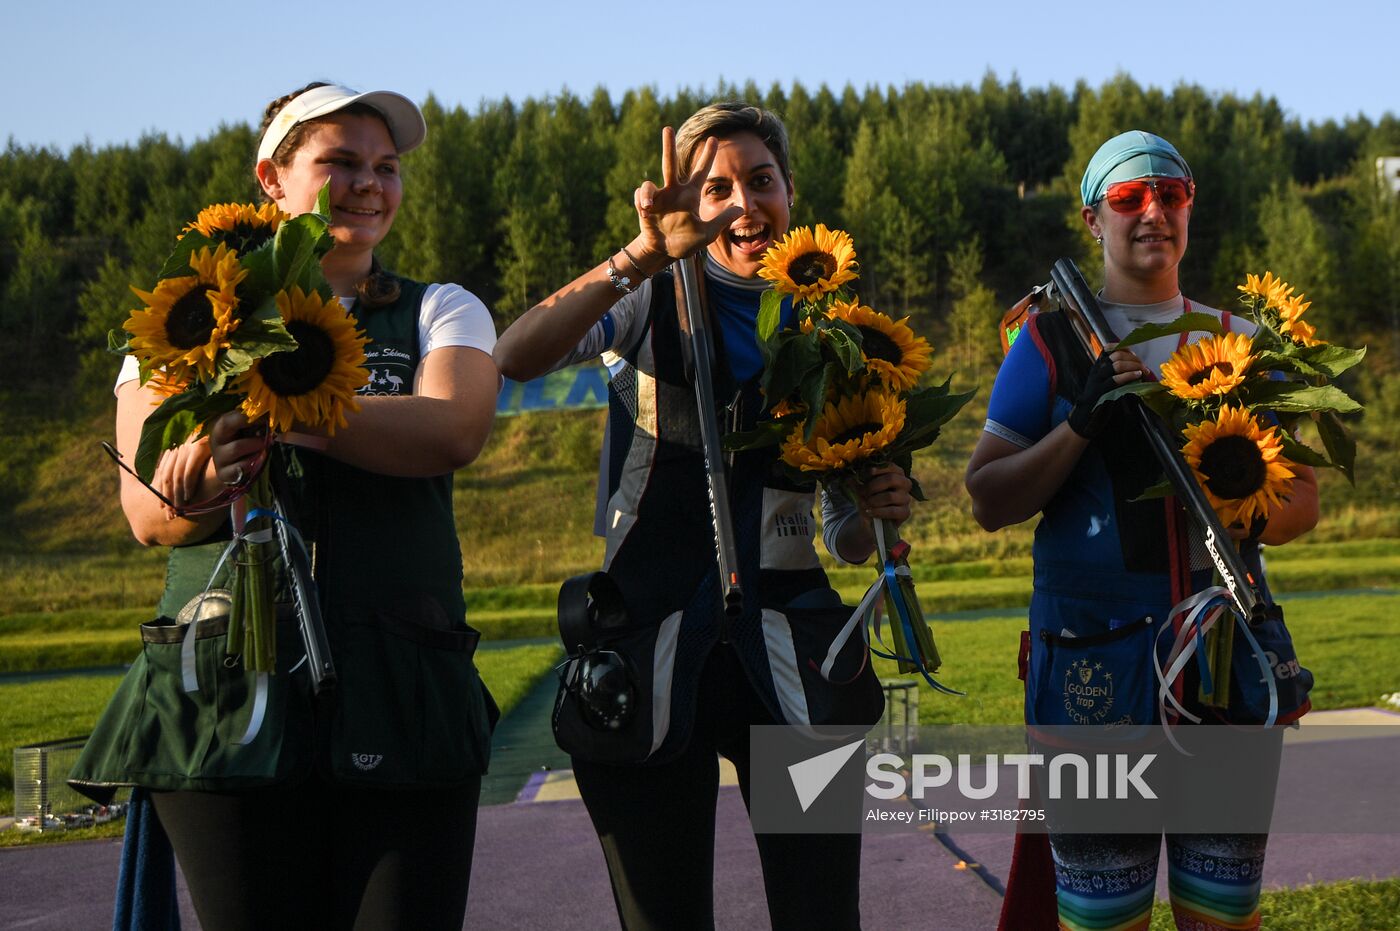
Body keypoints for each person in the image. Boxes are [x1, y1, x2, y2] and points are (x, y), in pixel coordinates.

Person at [72, 82, 499, 931]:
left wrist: (280, 406)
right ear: (271, 178)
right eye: (340, 161)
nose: (369, 183)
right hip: (226, 696)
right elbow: (150, 513)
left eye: (386, 166)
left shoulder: (440, 308)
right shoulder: (185, 321)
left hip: (402, 687)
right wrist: (208, 478)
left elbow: (452, 428)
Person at [494, 102, 912, 931]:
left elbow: (845, 537)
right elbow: (517, 355)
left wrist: (876, 511)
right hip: (649, 645)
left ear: (790, 193)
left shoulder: (837, 332)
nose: (743, 205)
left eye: (762, 181)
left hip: (795, 655)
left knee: (822, 915)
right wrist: (644, 253)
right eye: (717, 188)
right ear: (687, 199)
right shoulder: (648, 295)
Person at [965, 130, 1319, 931]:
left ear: (1190, 208)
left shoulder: (1243, 343)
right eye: (1128, 197)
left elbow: (1303, 504)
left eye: (1172, 193)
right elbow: (987, 499)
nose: (1153, 210)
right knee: (1103, 920)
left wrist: (1233, 491)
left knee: (1223, 915)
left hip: (1226, 666)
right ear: (1093, 220)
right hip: (1092, 673)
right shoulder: (1048, 342)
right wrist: (1081, 423)